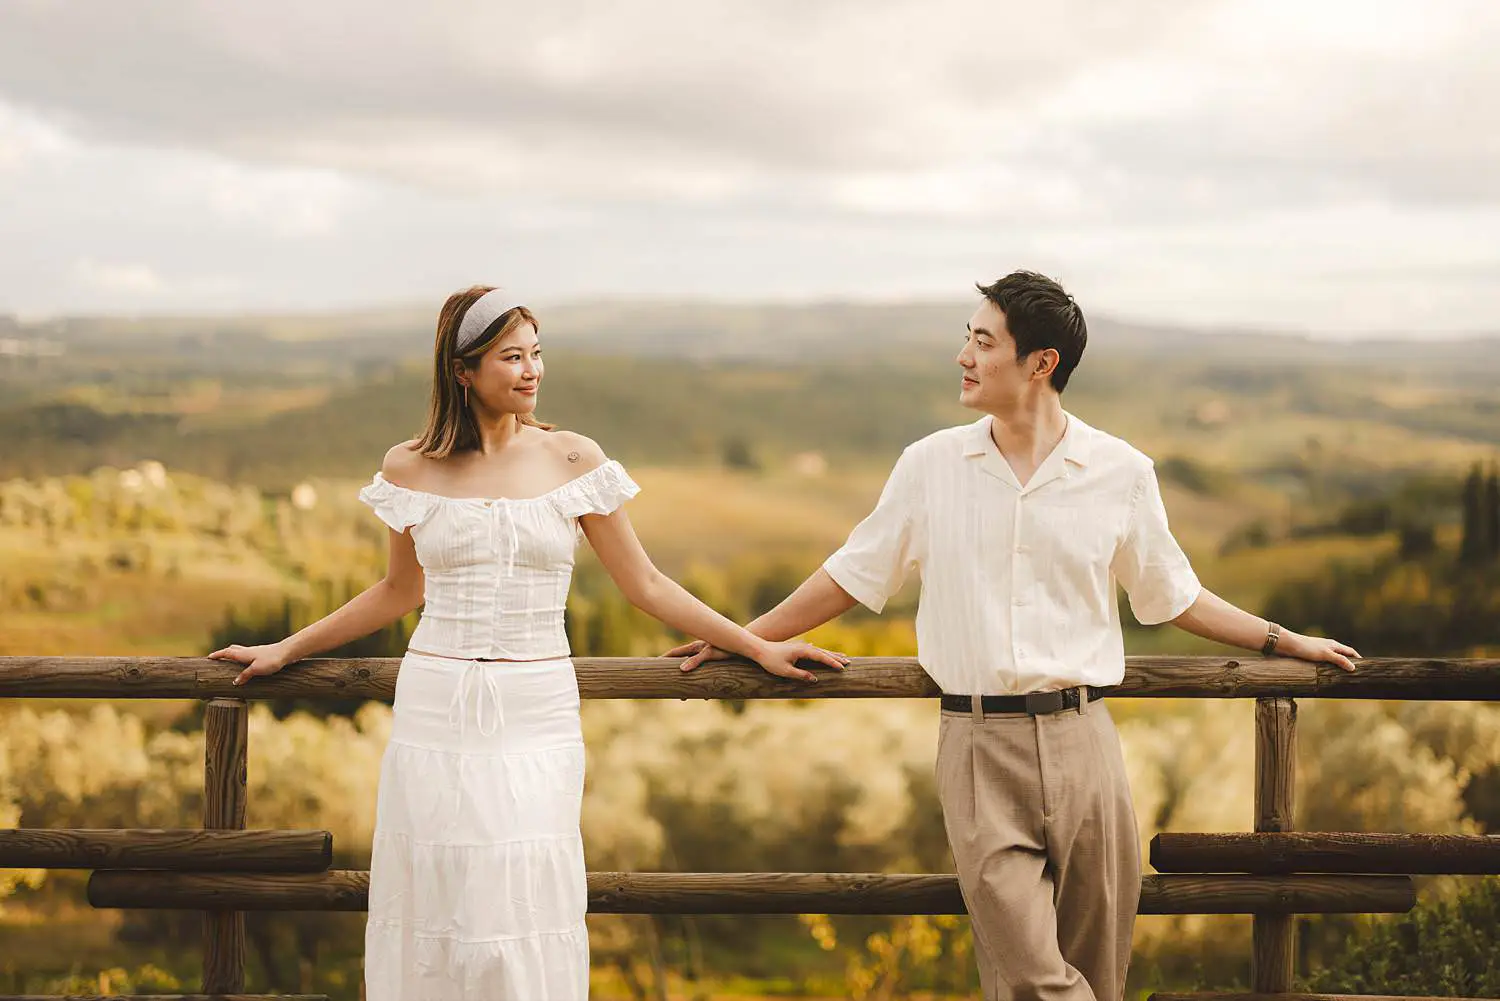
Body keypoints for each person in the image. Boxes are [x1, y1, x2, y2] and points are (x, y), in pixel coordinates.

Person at [667, 270, 1361, 1001]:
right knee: (1039, 981)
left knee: (1096, 973)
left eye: (982, 340)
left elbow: (1174, 594)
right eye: (967, 337)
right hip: (976, 749)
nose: (963, 355)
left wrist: (1284, 640)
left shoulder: (1121, 472)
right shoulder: (930, 465)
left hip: (1087, 744)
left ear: (1041, 363)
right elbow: (851, 574)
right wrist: (742, 638)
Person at [209, 285, 846, 1001]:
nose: (531, 370)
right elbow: (398, 591)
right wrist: (285, 649)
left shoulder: (574, 459)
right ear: (463, 370)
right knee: (440, 885)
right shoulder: (408, 465)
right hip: (436, 703)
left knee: (522, 889)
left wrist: (755, 646)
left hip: (536, 704)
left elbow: (646, 584)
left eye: (537, 353)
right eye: (511, 356)